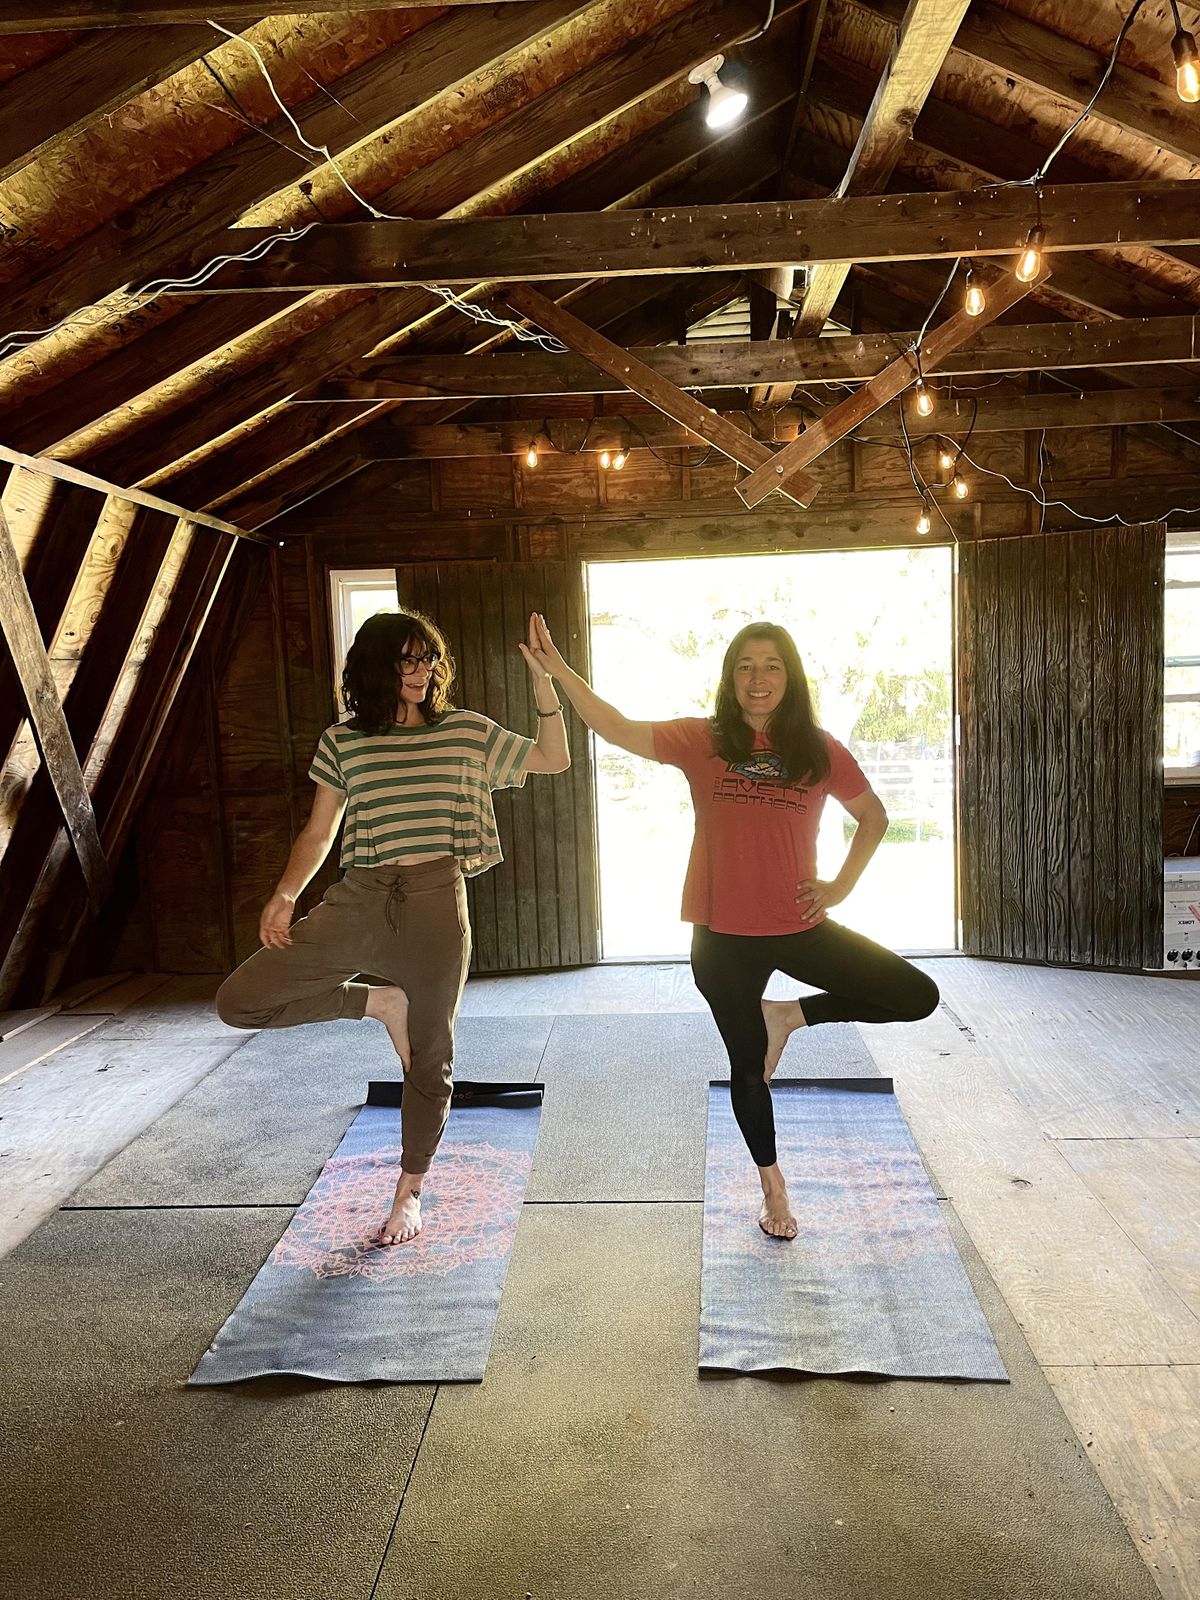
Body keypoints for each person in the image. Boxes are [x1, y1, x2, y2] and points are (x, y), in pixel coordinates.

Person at [521, 614, 938, 1241]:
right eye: (745, 666)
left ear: (790, 677)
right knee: (748, 1067)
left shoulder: (820, 749)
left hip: (799, 925)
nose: (758, 677)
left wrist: (841, 886)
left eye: (771, 665)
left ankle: (791, 1015)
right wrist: (556, 670)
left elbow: (873, 817)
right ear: (730, 679)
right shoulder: (704, 739)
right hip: (721, 939)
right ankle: (772, 1185)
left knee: (916, 996)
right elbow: (615, 726)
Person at [216, 608, 569, 1246]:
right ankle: (379, 1002)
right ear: (378, 667)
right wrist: (284, 894)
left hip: (436, 905)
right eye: (408, 659)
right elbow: (320, 830)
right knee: (239, 1002)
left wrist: (546, 682)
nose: (423, 670)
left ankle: (409, 1192)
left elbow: (553, 757)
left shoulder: (466, 731)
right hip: (360, 899)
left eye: (429, 658)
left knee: (431, 1060)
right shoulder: (343, 741)